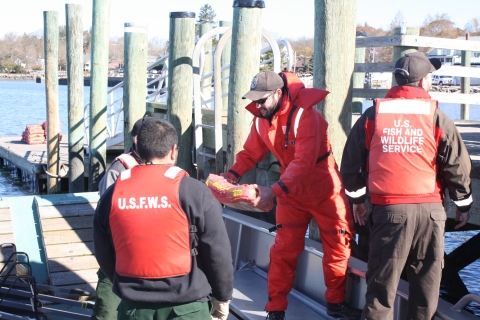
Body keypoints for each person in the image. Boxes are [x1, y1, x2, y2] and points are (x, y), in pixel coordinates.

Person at [340, 51, 472, 320]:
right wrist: (463, 204)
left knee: (380, 289)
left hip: (389, 213)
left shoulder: (372, 116)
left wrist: (358, 201)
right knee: (426, 288)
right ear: (423, 82)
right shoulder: (437, 116)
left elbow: (350, 167)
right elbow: (457, 166)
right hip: (431, 212)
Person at [224, 71, 361, 320]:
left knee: (338, 246)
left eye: (261, 100)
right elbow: (249, 154)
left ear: (277, 94)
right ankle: (275, 309)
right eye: (254, 100)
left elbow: (305, 162)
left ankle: (336, 304)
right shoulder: (261, 119)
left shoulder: (307, 116)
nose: (257, 105)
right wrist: (231, 176)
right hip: (291, 191)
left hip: (324, 190)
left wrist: (273, 191)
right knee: (283, 249)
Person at [93, 118, 234, 320]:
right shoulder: (195, 192)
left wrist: (123, 283)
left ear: (137, 148)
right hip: (188, 307)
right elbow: (217, 250)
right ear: (173, 150)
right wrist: (222, 298)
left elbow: (103, 251)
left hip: (134, 308)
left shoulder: (113, 194)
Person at [91, 118, 145, 320]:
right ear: (137, 139)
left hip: (149, 260)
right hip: (120, 258)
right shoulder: (119, 169)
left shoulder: (162, 168)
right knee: (107, 313)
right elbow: (105, 220)